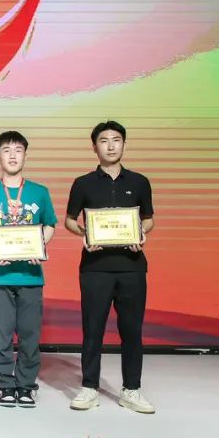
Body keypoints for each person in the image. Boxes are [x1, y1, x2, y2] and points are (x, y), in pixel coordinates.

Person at [64, 121, 156, 414]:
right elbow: (69, 220)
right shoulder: (83, 183)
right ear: (95, 147)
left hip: (132, 267)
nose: (111, 145)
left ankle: (132, 389)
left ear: (124, 144)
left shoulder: (139, 182)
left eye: (116, 139)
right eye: (104, 140)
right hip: (95, 267)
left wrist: (141, 234)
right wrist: (85, 235)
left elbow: (148, 219)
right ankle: (89, 387)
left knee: (132, 330)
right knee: (92, 330)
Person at [0, 131, 56, 407]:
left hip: (31, 276)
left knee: (30, 335)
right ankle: (6, 384)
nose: (13, 155)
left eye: (18, 149)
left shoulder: (40, 192)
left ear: (25, 154)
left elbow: (49, 224)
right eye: (6, 150)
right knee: (2, 333)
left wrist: (40, 246)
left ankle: (26, 385)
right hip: (0, 277)